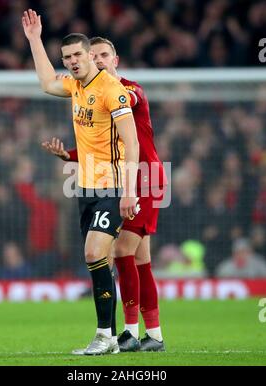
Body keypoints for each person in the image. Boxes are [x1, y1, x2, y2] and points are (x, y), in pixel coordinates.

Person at [22, 10, 139, 355]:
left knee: (94, 252)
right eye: (67, 57)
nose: (72, 62)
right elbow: (46, 82)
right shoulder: (75, 87)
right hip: (85, 188)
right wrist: (33, 39)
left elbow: (131, 143)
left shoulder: (111, 90)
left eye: (77, 55)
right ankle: (111, 337)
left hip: (114, 186)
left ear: (91, 55)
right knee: (97, 260)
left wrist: (130, 190)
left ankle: (107, 336)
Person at [43, 37, 167, 352]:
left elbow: (126, 102)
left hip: (143, 178)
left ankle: (123, 332)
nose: (97, 60)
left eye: (103, 55)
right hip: (119, 176)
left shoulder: (128, 90)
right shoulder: (92, 89)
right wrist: (69, 155)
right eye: (93, 55)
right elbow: (98, 140)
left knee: (121, 250)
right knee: (140, 257)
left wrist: (97, 84)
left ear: (116, 59)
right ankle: (151, 335)